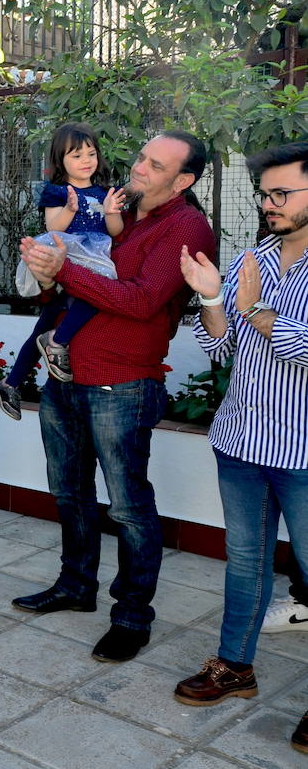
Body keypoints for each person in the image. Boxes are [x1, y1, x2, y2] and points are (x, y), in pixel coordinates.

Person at [12, 131, 215, 663]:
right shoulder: (119, 211)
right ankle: (75, 586)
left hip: (120, 384)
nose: (139, 166)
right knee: (69, 492)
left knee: (127, 507)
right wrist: (46, 273)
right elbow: (69, 287)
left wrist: (66, 272)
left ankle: (130, 616)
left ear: (184, 180)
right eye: (142, 156)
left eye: (155, 163)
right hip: (66, 377)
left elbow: (144, 300)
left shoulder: (185, 226)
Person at [174, 142, 308, 755]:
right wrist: (209, 297)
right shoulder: (254, 258)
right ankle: (235, 667)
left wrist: (254, 307)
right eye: (265, 194)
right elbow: (223, 349)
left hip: (304, 455)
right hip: (244, 441)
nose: (268, 204)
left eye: (282, 194)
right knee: (246, 565)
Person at [0, 122, 127, 418]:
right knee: (96, 293)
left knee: (54, 317)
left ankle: (11, 382)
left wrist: (112, 211)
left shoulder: (104, 191)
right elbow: (54, 227)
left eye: (90, 154)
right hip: (66, 251)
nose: (86, 161)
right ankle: (57, 341)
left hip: (93, 253)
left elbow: (115, 231)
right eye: (76, 156)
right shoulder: (56, 192)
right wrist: (71, 208)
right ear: (60, 159)